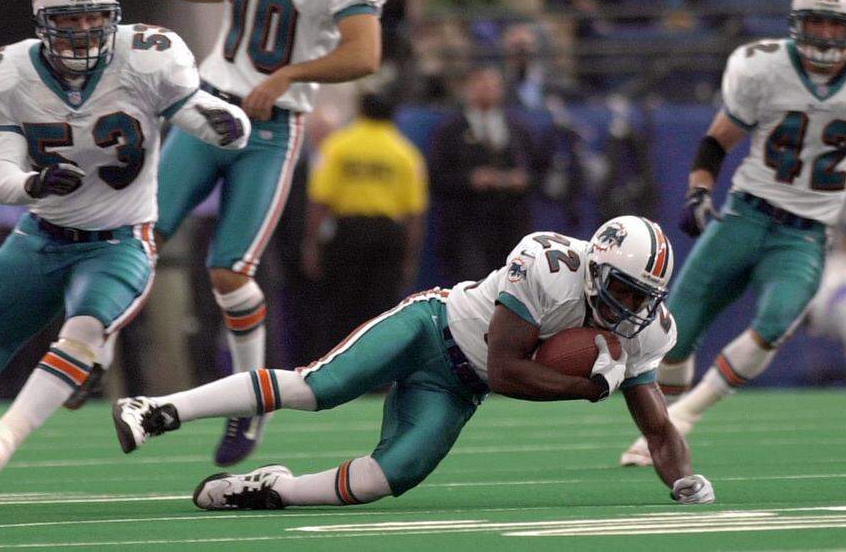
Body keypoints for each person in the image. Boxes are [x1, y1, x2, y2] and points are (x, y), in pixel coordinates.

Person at [0, 0, 250, 509]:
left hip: (119, 240)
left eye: (95, 18)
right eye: (70, 19)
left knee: (84, 331)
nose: (85, 31)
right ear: (43, 20)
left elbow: (196, 110)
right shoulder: (5, 75)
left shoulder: (147, 57)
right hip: (41, 235)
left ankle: (0, 441)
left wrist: (224, 121)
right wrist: (33, 184)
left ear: (113, 16)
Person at [88, 0, 388, 466]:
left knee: (229, 271)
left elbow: (364, 54)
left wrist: (288, 75)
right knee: (140, 235)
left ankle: (249, 405)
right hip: (209, 104)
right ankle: (92, 350)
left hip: (274, 126)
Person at [111, 215, 714, 510]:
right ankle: (160, 408)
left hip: (458, 387)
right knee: (316, 387)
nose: (630, 307)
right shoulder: (549, 263)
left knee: (383, 479)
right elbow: (507, 369)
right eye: (624, 290)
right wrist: (586, 388)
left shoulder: (644, 330)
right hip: (431, 328)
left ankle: (274, 488)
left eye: (643, 297)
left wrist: (682, 481)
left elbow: (659, 428)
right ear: (596, 266)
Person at [620, 0, 846, 466]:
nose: (826, 35)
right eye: (817, 23)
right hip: (746, 213)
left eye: (836, 25)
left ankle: (682, 420)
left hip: (805, 233)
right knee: (673, 331)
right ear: (797, 24)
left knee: (775, 322)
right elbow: (716, 141)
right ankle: (665, 431)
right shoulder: (763, 68)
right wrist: (699, 191)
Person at [301, 92, 428, 359]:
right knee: (382, 310)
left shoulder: (338, 146)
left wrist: (311, 245)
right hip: (388, 235)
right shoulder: (405, 152)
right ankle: (379, 375)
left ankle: (334, 370)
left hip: (347, 233)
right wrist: (410, 257)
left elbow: (319, 200)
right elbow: (415, 213)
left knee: (340, 306)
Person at [429, 66, 539, 286]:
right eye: (481, 84)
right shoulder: (450, 130)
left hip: (509, 224)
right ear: (468, 89)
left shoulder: (518, 129)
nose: (487, 90)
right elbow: (436, 176)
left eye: (492, 85)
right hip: (467, 225)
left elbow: (538, 170)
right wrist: (470, 180)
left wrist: (522, 180)